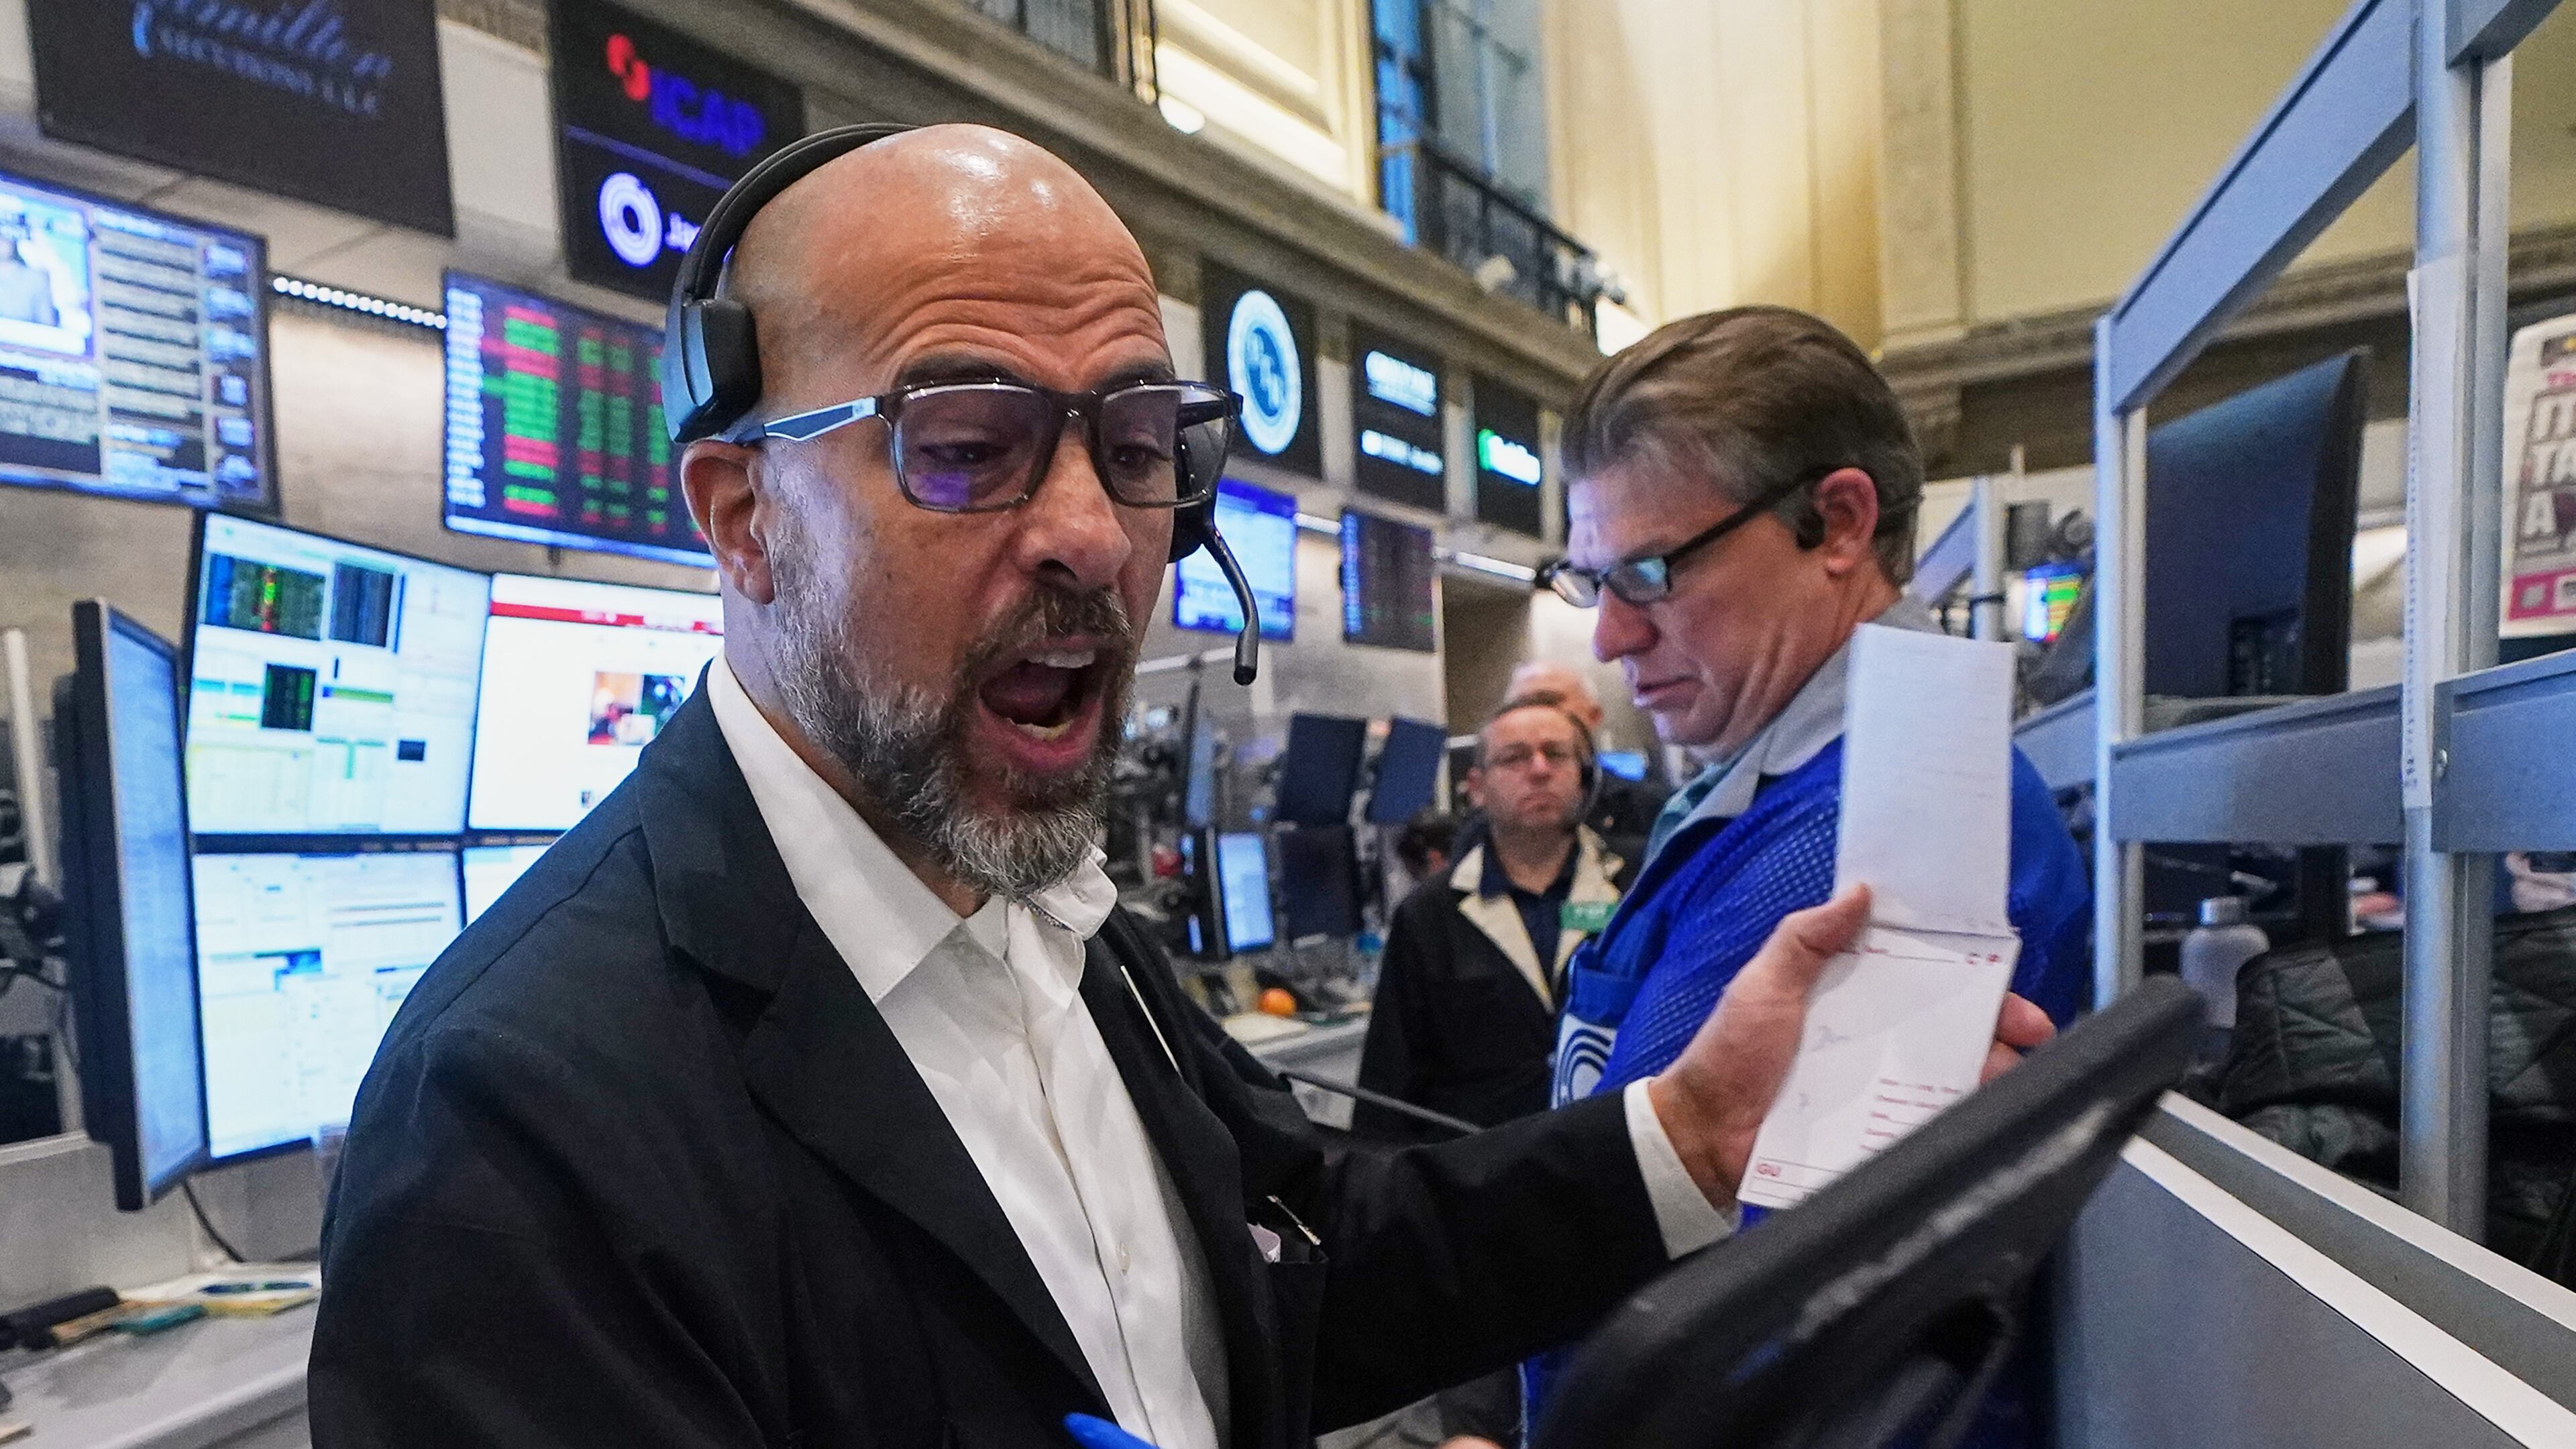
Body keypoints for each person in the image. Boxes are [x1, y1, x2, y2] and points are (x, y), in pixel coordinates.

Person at [307, 129, 2052, 1449]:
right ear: (745, 516)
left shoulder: (1064, 926)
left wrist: (1691, 1137)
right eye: (967, 442)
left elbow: (1304, 1260)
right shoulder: (513, 1120)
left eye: (1138, 447)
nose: (1089, 531)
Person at [1525, 305, 2093, 1444]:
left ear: (1836, 522)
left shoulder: (1875, 842)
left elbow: (1756, 1357)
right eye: (1594, 583)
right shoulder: (1784, 790)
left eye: (1647, 572)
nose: (1610, 643)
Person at [1357, 698, 1630, 1140]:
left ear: (1584, 778)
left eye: (1556, 754)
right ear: (1478, 787)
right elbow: (1389, 1084)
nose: (1539, 770)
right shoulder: (1429, 915)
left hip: (1611, 1158)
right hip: (1480, 1178)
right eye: (1515, 758)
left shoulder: (1638, 889)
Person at [1501, 658, 1666, 861]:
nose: (1537, 717)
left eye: (1549, 702)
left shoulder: (1654, 810)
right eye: (1522, 706)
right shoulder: (1486, 824)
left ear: (1593, 716)